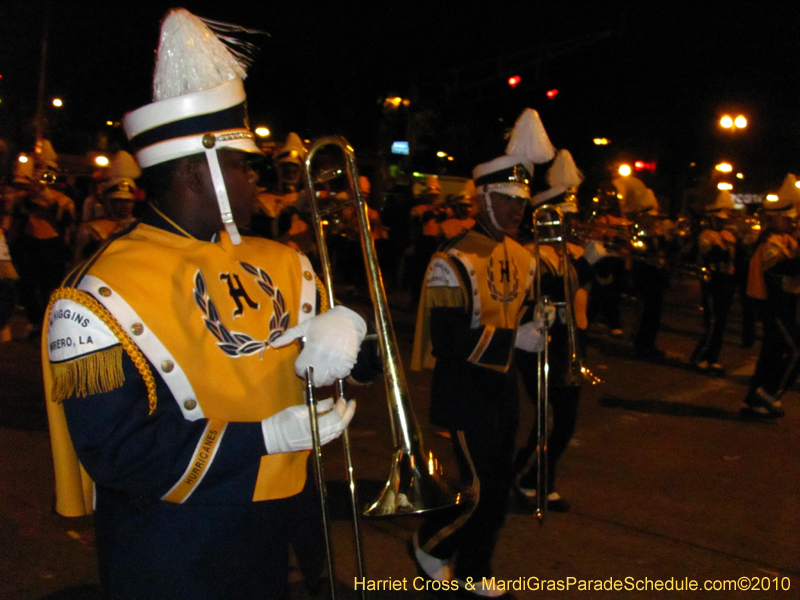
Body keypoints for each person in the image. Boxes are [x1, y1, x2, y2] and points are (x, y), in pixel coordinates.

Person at [42, 10, 368, 599]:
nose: (254, 182)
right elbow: (116, 453)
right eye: (242, 167)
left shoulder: (282, 261)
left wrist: (348, 337)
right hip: (169, 546)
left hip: (269, 531)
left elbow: (324, 382)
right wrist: (263, 439)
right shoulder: (95, 291)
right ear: (199, 174)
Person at [410, 108, 552, 597]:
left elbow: (521, 316)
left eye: (523, 200)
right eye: (508, 198)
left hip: (502, 387)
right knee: (482, 489)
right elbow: (448, 340)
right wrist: (516, 339)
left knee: (496, 489)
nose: (518, 209)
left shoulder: (525, 256)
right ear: (483, 198)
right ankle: (431, 544)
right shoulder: (451, 258)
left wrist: (540, 325)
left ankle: (474, 570)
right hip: (464, 389)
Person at [513, 149, 603, 513]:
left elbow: (599, 291)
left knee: (564, 421)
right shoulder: (529, 253)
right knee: (552, 419)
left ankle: (531, 477)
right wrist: (587, 264)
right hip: (542, 341)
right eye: (566, 219)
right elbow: (544, 290)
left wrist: (602, 261)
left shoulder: (572, 252)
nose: (572, 226)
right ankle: (529, 478)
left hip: (571, 341)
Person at [742, 188, 800, 419]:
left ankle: (754, 402)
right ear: (775, 219)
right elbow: (779, 269)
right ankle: (769, 393)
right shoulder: (769, 244)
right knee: (796, 349)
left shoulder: (787, 241)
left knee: (772, 354)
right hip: (775, 305)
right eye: (787, 218)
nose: (792, 222)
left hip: (785, 304)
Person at [689, 189, 737, 373]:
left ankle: (713, 356)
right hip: (712, 280)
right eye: (718, 219)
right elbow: (707, 254)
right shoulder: (706, 235)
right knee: (713, 320)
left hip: (726, 280)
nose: (721, 222)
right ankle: (700, 355)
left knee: (722, 321)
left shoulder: (728, 235)